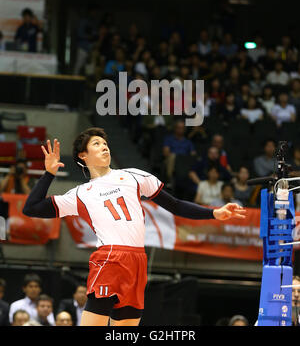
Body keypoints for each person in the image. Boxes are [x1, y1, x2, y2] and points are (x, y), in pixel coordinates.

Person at [22, 128, 246, 326]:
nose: (104, 147)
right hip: (110, 258)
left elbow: (175, 205)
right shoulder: (80, 194)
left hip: (138, 260)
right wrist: (49, 173)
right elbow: (31, 208)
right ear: (83, 155)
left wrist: (213, 213)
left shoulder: (133, 176)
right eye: (96, 144)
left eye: (105, 143)